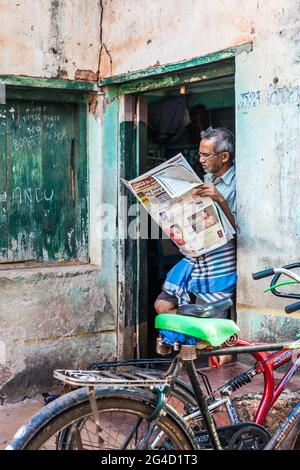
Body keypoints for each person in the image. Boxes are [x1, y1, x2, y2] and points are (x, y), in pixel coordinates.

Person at [154, 127, 236, 365]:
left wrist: (219, 198)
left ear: (224, 156)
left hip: (220, 261)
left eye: (206, 155)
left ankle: (206, 357)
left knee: (212, 331)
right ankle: (192, 341)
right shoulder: (207, 179)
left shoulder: (238, 182)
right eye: (200, 154)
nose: (200, 160)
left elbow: (241, 230)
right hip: (195, 255)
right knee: (162, 304)